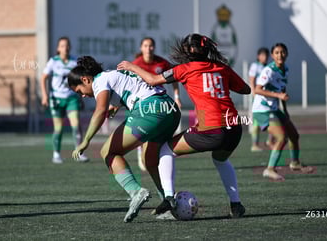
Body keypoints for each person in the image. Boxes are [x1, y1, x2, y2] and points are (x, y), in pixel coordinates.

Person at [118, 33, 250, 219]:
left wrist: (131, 66)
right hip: (234, 128)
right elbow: (246, 89)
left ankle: (169, 198)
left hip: (212, 129)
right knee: (220, 160)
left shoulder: (185, 69)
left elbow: (153, 80)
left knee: (166, 150)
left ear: (188, 50)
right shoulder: (222, 67)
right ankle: (236, 205)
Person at [68, 56, 181, 223]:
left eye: (79, 91)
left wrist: (85, 141)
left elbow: (100, 111)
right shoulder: (112, 75)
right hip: (170, 110)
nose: (83, 96)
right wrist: (118, 105)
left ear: (85, 79)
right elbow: (134, 88)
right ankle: (168, 202)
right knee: (149, 159)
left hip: (150, 111)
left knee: (108, 151)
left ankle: (136, 192)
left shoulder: (99, 80)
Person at [252, 43, 313, 181]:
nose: (280, 55)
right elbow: (257, 89)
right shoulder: (269, 70)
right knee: (281, 138)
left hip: (274, 108)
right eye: (277, 52)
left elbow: (282, 90)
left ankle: (295, 163)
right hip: (262, 110)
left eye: (283, 52)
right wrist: (278, 96)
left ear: (287, 54)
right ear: (273, 55)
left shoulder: (285, 69)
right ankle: (269, 169)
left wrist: (285, 110)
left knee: (294, 135)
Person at [132, 37, 182, 172]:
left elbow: (174, 79)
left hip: (160, 103)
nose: (148, 48)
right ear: (141, 48)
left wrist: (177, 97)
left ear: (154, 47)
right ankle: (140, 151)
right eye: (145, 45)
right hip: (142, 103)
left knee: (158, 134)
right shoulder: (136, 64)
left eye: (151, 46)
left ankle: (158, 157)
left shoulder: (162, 63)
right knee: (142, 132)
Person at [40, 37, 88, 164]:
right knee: (58, 128)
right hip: (56, 99)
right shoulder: (53, 61)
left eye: (67, 45)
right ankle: (56, 154)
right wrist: (44, 96)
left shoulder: (74, 62)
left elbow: (80, 81)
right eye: (62, 45)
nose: (65, 48)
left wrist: (81, 95)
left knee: (76, 124)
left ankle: (79, 152)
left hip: (71, 98)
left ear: (70, 47)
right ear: (58, 48)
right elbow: (43, 78)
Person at [248, 47, 272, 152]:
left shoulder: (268, 66)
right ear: (258, 56)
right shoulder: (255, 66)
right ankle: (255, 144)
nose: (265, 57)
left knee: (272, 119)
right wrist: (254, 92)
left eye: (266, 55)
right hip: (258, 97)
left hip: (267, 97)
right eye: (263, 55)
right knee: (257, 122)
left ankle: (269, 141)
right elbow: (252, 80)